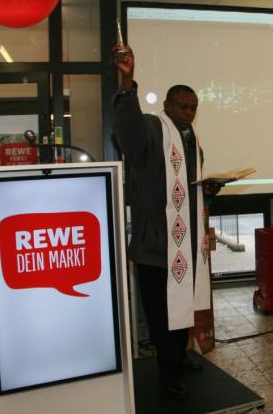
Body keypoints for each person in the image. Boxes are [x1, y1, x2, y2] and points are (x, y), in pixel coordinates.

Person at [112, 44, 221, 400]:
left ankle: (178, 357)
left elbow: (189, 191)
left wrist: (211, 189)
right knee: (161, 318)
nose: (188, 113)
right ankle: (166, 372)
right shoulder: (151, 129)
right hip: (156, 246)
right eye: (182, 106)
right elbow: (126, 133)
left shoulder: (193, 143)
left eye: (193, 108)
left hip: (186, 244)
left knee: (182, 308)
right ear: (168, 106)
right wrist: (128, 82)